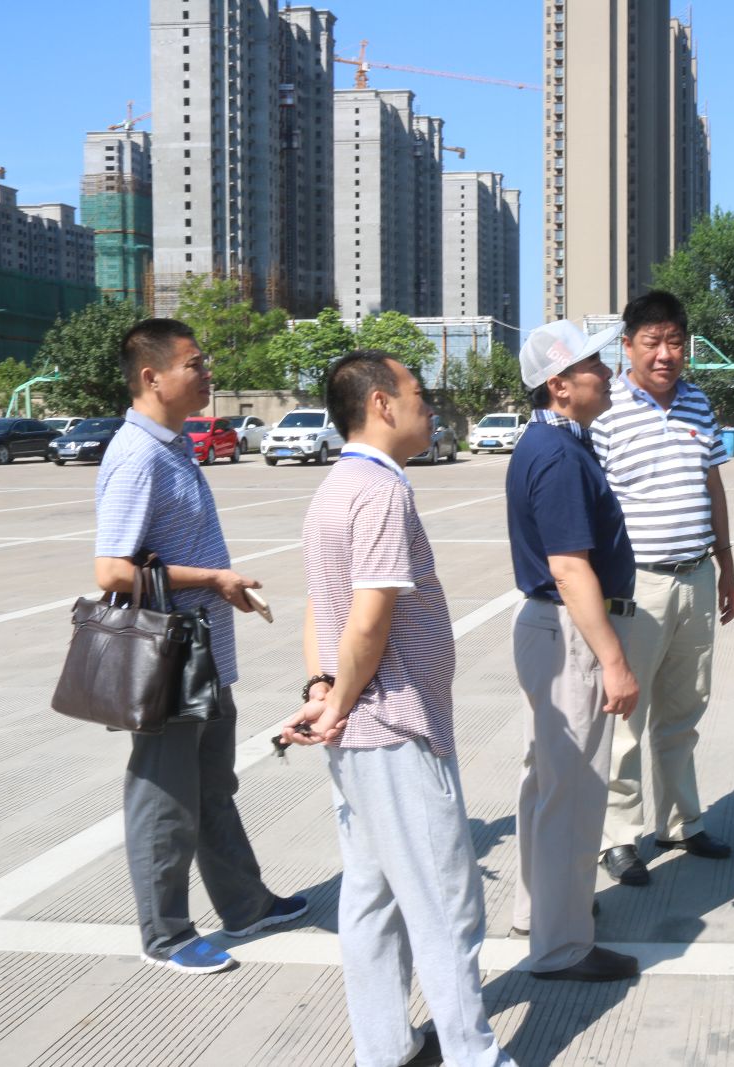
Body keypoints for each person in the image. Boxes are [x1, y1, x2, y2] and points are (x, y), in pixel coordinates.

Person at [282, 352, 510, 1067]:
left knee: (372, 897)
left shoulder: (335, 485)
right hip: (394, 723)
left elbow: (321, 604)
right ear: (381, 404)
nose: (429, 404)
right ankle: (474, 1056)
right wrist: (338, 701)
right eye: (418, 392)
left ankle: (385, 1048)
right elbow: (369, 616)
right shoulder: (380, 490)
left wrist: (322, 691)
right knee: (445, 903)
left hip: (358, 725)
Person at [94, 318, 305, 975]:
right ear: (152, 377)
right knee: (165, 796)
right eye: (194, 364)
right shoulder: (137, 455)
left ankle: (245, 904)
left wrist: (220, 587)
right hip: (169, 661)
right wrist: (213, 579)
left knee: (213, 784)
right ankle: (165, 934)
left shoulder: (175, 446)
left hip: (204, 651)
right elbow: (112, 570)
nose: (207, 372)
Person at [506, 320, 642, 983]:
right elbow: (568, 566)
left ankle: (540, 914)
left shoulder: (554, 441)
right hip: (569, 633)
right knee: (573, 793)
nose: (609, 372)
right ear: (559, 385)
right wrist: (613, 659)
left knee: (548, 784)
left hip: (551, 629)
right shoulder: (559, 455)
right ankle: (561, 946)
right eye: (595, 364)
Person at [589, 290, 734, 887]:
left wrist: (726, 564)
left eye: (675, 342)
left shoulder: (698, 402)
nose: (665, 354)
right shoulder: (606, 410)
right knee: (626, 716)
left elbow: (712, 487)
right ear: (627, 346)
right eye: (652, 342)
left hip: (696, 576)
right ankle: (618, 837)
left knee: (684, 709)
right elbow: (594, 503)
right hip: (636, 585)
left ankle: (680, 822)